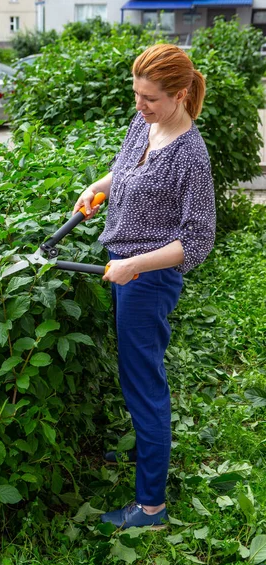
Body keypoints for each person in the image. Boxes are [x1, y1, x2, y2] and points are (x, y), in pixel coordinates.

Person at [72, 44, 216, 529]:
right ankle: (143, 449)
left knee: (144, 384)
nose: (140, 105)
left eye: (150, 98)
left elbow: (197, 241)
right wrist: (97, 187)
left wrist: (135, 265)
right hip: (124, 267)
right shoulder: (146, 124)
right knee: (134, 374)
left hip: (148, 279)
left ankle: (151, 506)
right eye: (137, 94)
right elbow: (127, 170)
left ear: (178, 95)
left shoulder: (191, 156)